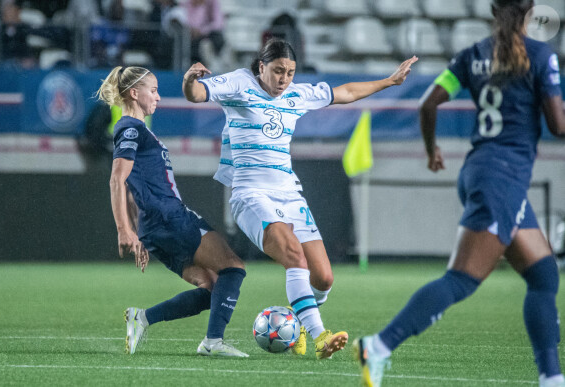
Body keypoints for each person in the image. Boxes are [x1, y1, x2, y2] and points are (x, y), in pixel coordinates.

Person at [354, 0, 565, 386]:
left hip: (483, 172)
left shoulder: (472, 55)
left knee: (544, 275)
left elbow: (428, 102)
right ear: (531, 11)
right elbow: (558, 123)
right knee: (462, 279)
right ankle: (379, 346)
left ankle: (551, 377)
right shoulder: (539, 55)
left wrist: (431, 148)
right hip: (504, 178)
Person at [183, 38, 417, 359]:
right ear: (261, 66)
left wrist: (390, 81)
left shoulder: (296, 94)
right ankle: (321, 336)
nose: (284, 79)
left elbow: (345, 93)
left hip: (290, 193)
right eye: (278, 71)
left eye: (290, 72)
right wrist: (189, 80)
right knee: (296, 258)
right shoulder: (239, 83)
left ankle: (299, 325)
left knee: (323, 276)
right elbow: (197, 94)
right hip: (251, 193)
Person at [98, 65, 249, 357]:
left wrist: (137, 230)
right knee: (233, 267)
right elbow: (117, 178)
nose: (158, 97)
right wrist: (124, 229)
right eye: (152, 91)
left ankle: (142, 318)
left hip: (153, 226)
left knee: (211, 288)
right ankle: (213, 342)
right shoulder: (131, 128)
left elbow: (131, 187)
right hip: (170, 217)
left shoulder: (137, 130)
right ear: (133, 93)